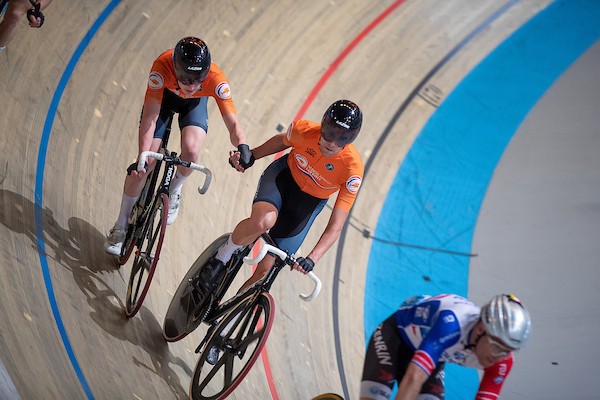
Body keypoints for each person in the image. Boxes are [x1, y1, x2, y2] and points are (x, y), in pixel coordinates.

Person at [104, 36, 253, 255]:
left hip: (193, 107)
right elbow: (151, 118)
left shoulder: (216, 79)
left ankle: (174, 191)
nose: (191, 85)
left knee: (191, 151)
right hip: (163, 102)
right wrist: (141, 158)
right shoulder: (162, 66)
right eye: (185, 78)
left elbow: (233, 124)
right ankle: (120, 225)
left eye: (198, 78)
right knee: (147, 164)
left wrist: (243, 145)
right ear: (175, 69)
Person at [198, 99, 364, 291]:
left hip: (304, 207)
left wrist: (312, 258)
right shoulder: (305, 130)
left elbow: (336, 225)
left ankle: (229, 317)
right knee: (264, 222)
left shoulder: (353, 170)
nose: (332, 143)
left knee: (264, 273)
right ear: (323, 124)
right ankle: (222, 256)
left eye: (342, 139)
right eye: (330, 133)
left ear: (351, 139)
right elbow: (282, 141)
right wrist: (252, 156)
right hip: (282, 181)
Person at [360, 293, 532, 400]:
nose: (498, 357)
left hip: (434, 352)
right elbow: (415, 377)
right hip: (395, 337)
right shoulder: (452, 324)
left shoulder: (503, 361)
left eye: (507, 351)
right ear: (481, 329)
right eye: (496, 347)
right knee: (375, 396)